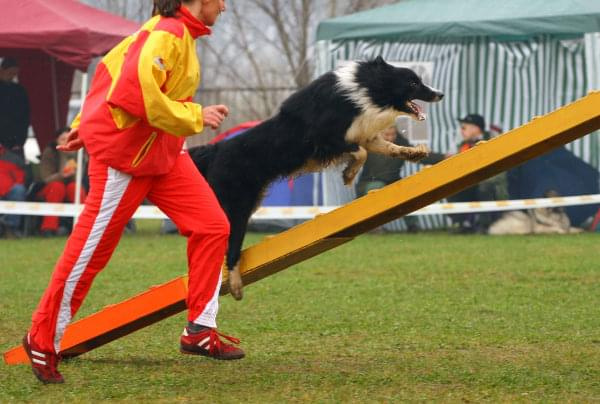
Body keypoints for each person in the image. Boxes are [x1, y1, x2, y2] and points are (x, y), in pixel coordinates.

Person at [21, 0, 242, 385]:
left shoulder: (174, 33)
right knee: (88, 255)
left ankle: (199, 330)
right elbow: (135, 95)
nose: (223, 6)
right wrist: (196, 116)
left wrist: (82, 124)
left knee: (212, 227)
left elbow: (108, 73)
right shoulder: (165, 34)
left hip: (164, 152)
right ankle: (40, 339)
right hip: (125, 158)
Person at [355, 125, 446, 232]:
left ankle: (413, 226)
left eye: (393, 134)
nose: (390, 138)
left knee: (405, 190)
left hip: (393, 182)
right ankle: (374, 226)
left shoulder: (401, 143)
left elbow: (417, 154)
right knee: (377, 188)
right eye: (386, 135)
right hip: (368, 184)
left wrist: (443, 157)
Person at [447, 114, 507, 233]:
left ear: (476, 129)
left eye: (464, 127)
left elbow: (496, 171)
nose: (461, 130)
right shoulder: (463, 145)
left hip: (491, 185)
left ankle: (484, 225)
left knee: (484, 186)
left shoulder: (491, 141)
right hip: (471, 184)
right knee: (450, 186)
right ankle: (460, 223)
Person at [36, 127, 88, 237]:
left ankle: (84, 226)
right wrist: (61, 174)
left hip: (69, 186)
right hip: (49, 188)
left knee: (75, 187)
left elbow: (79, 179)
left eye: (70, 139)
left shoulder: (79, 153)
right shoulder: (49, 152)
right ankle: (48, 228)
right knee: (57, 187)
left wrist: (72, 158)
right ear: (56, 140)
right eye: (63, 139)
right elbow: (45, 179)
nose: (66, 142)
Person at [0, 58, 31, 158]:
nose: (12, 76)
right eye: (10, 73)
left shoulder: (19, 90)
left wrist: (20, 141)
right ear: (2, 70)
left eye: (14, 74)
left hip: (14, 140)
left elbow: (25, 117)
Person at [0, 144, 26, 238]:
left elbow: (20, 178)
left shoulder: (14, 158)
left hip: (9, 190)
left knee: (19, 190)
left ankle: (11, 227)